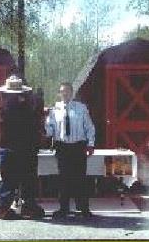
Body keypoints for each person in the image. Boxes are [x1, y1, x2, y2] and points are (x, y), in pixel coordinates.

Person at [0, 75, 45, 220]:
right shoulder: (9, 108)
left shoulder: (6, 106)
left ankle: (28, 206)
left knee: (26, 178)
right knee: (10, 180)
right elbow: (31, 120)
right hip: (11, 149)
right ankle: (3, 208)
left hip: (21, 148)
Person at [45, 82, 95, 218]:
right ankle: (63, 209)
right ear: (59, 94)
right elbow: (50, 129)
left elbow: (89, 128)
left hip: (78, 147)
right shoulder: (54, 109)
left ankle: (84, 209)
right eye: (62, 91)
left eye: (67, 91)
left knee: (80, 178)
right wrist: (43, 125)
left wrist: (90, 144)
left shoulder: (81, 108)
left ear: (72, 93)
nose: (65, 94)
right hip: (62, 147)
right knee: (63, 179)